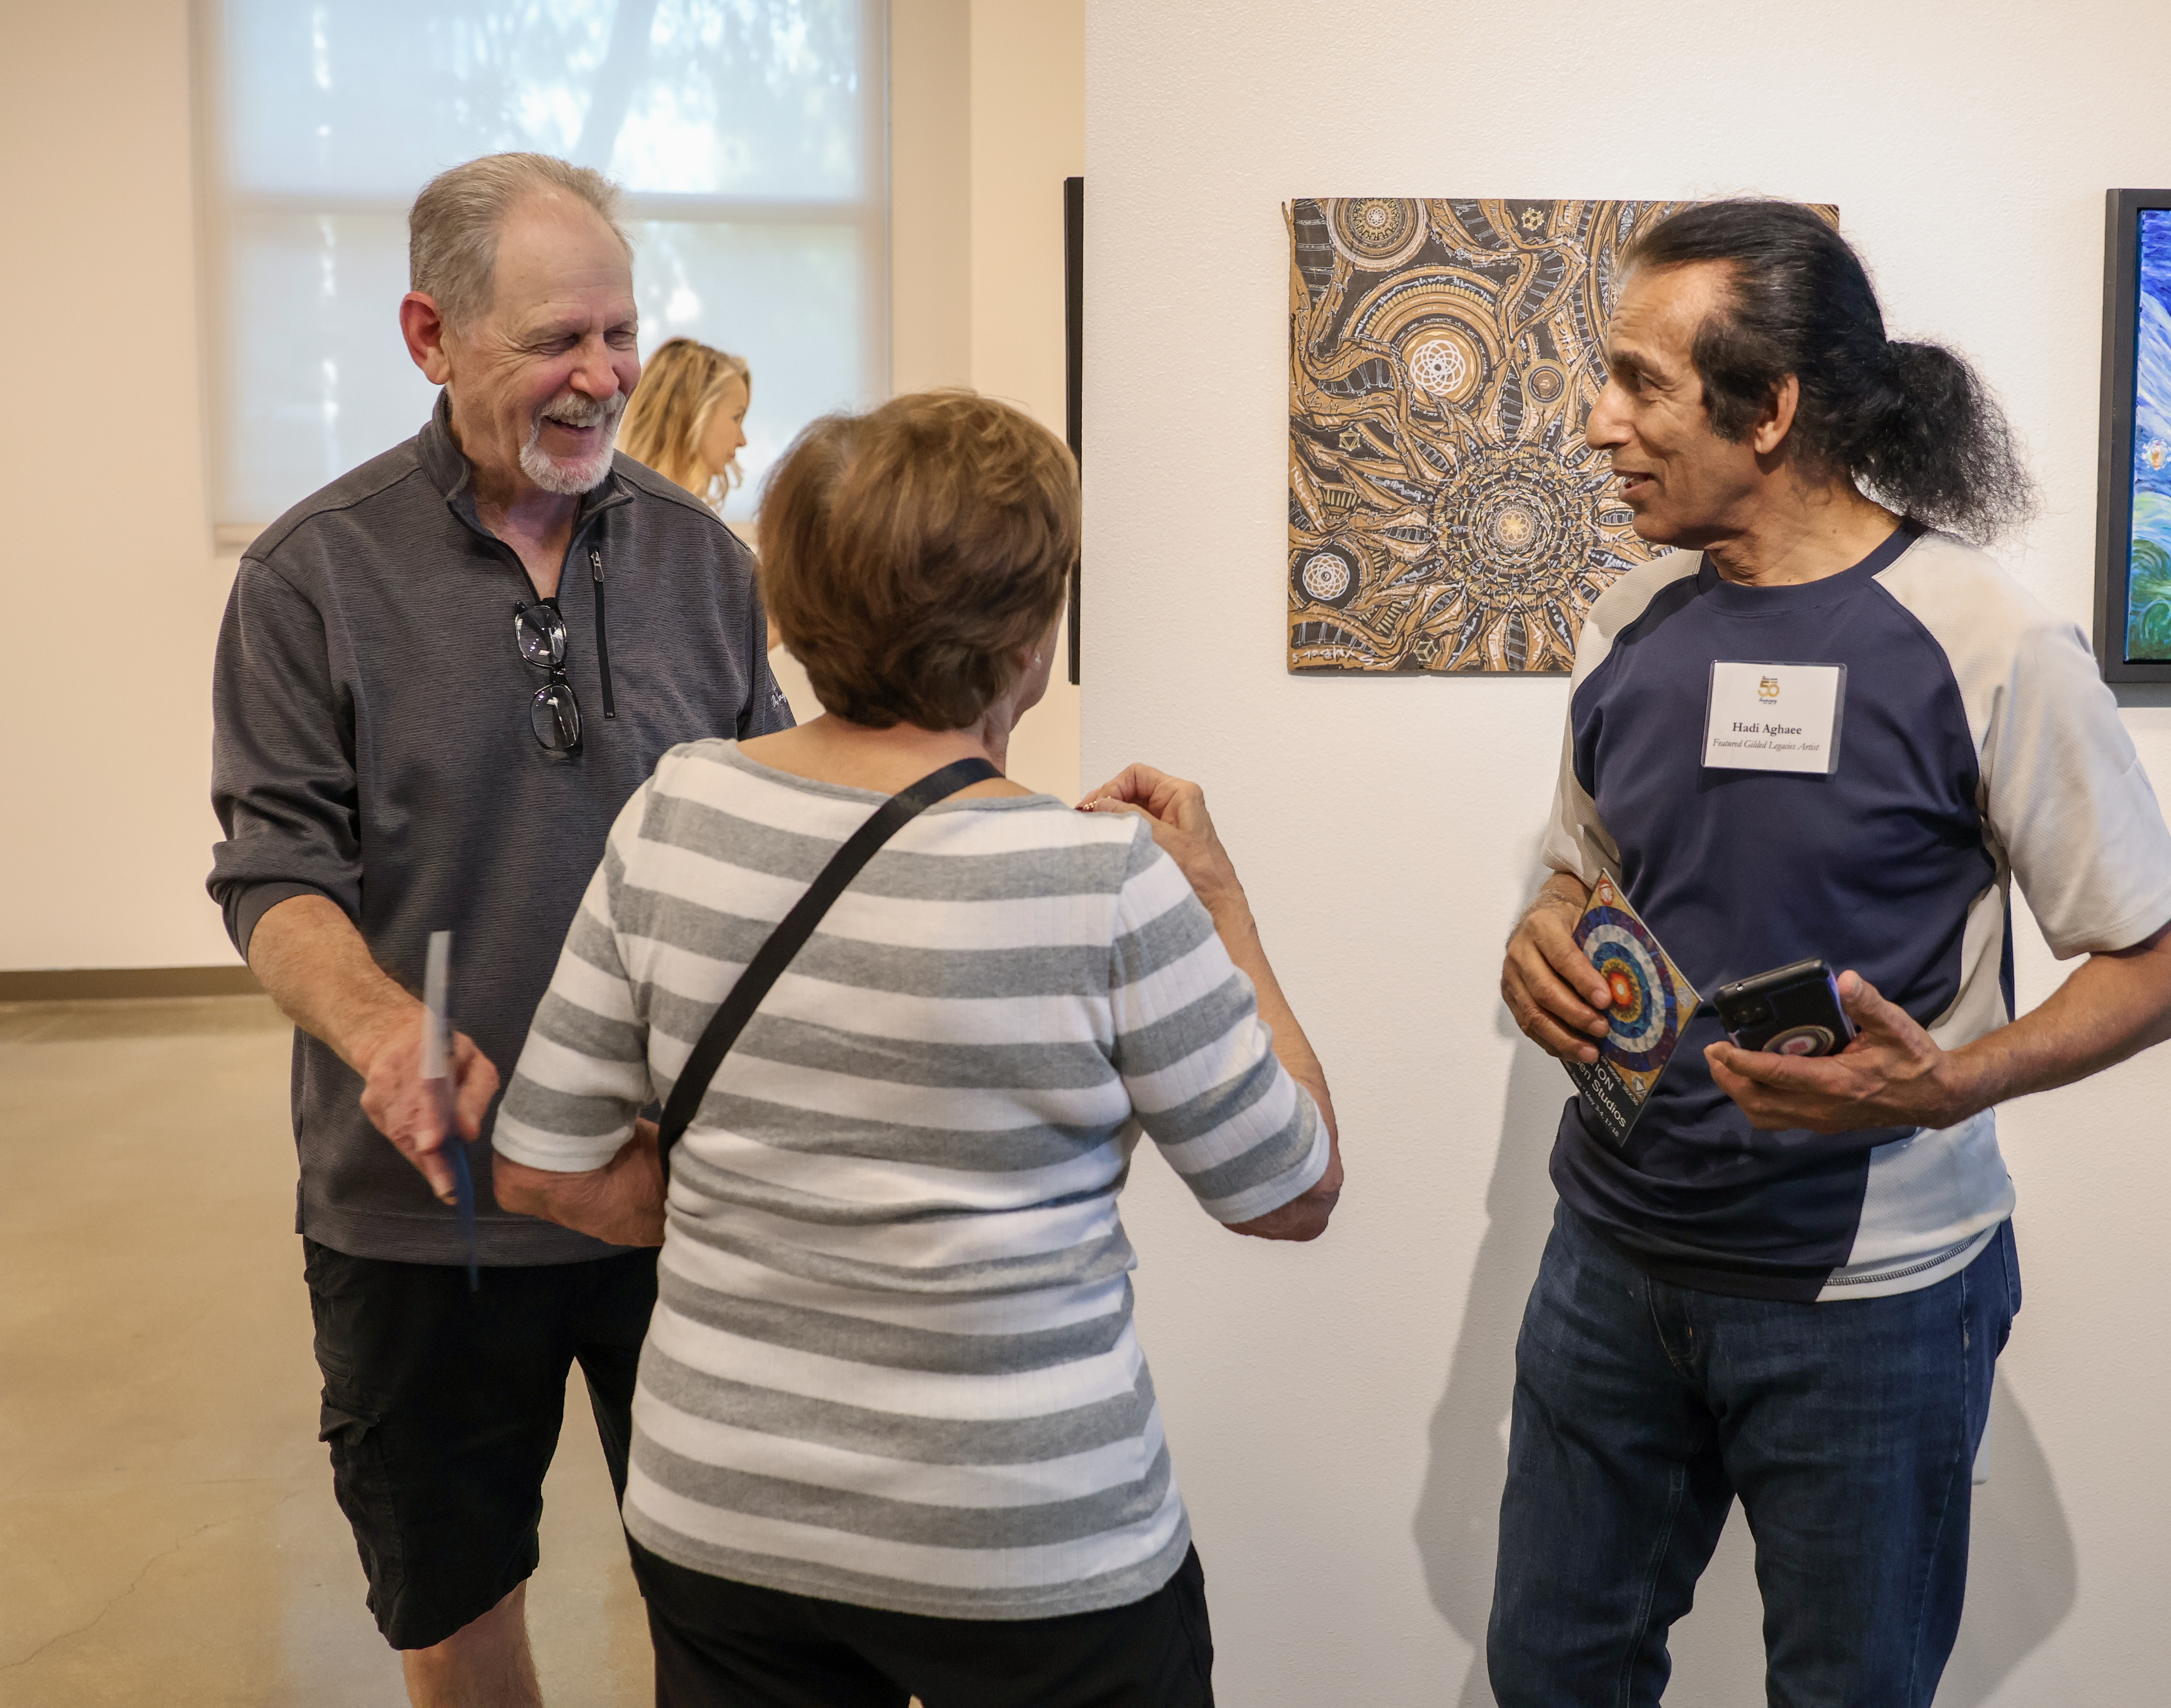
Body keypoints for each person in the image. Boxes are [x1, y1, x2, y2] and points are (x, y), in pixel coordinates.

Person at [489, 389, 1342, 1708]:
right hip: (1029, 1543)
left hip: (728, 1516)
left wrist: (779, 1205)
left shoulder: (681, 810)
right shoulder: (1099, 874)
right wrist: (1222, 899)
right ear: (1028, 635)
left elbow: (543, 1166)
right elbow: (1291, 1187)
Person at [1491, 200, 2171, 1707]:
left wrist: (1945, 1087)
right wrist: (1544, 933)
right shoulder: (1627, 618)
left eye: (1639, 382)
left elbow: (2166, 965)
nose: (1595, 423)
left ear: (1769, 410)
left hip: (1871, 1303)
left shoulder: (1990, 643)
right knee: (1552, 1676)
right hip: (1609, 1270)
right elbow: (1584, 875)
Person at [207, 152, 794, 1707]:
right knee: (458, 1606)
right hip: (422, 1218)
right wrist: (384, 1028)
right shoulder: (309, 580)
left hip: (675, 1196)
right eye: (554, 340)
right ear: (430, 335)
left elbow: (782, 833)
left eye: (620, 329)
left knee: (741, 1614)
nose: (601, 374)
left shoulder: (704, 565)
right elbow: (274, 879)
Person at [622, 336, 752, 510]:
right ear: (692, 413)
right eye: (736, 418)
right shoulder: (678, 524)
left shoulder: (623, 512)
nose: (742, 441)